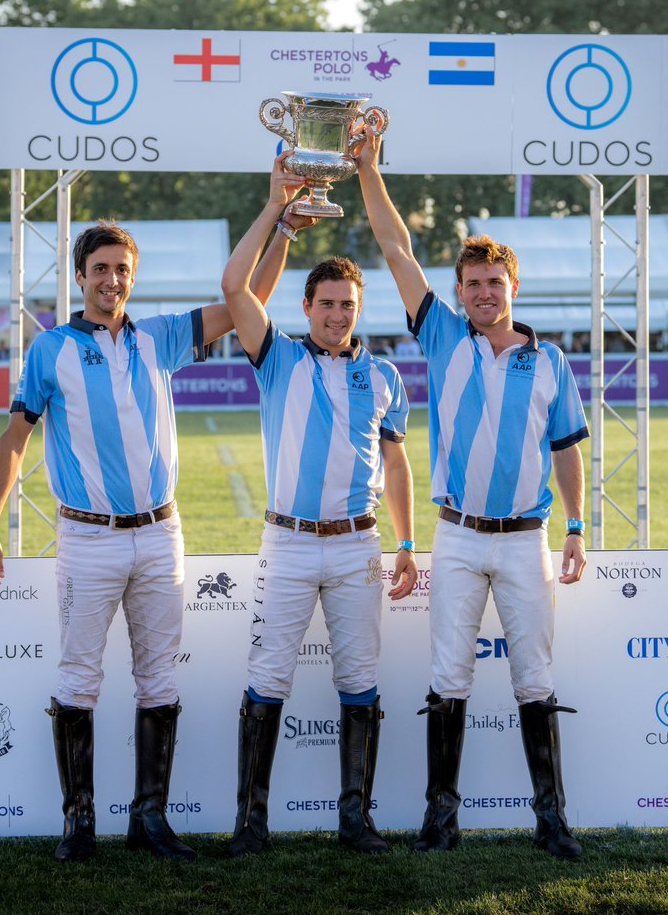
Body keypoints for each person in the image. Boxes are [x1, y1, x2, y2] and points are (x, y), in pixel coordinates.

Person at [0, 221, 254, 864]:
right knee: (79, 678)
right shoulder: (51, 350)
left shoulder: (161, 337)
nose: (112, 279)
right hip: (88, 538)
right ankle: (79, 823)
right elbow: (14, 440)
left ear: (133, 275)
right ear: (80, 276)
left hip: (160, 533)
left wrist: (282, 229)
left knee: (159, 679)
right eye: (100, 268)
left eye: (122, 269)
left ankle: (149, 821)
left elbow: (245, 303)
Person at [356, 130, 590, 859]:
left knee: (535, 677)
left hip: (526, 538)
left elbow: (567, 451)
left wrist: (578, 525)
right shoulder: (445, 338)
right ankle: (440, 816)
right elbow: (397, 248)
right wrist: (369, 170)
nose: (483, 293)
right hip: (456, 535)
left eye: (495, 283)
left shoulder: (549, 359)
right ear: (458, 292)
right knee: (448, 676)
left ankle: (550, 818)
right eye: (472, 284)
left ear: (511, 288)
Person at [219, 153, 418, 857]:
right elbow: (234, 286)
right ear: (306, 308)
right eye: (326, 305)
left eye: (348, 307)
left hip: (360, 544)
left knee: (360, 680)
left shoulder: (385, 374)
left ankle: (355, 819)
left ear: (360, 311)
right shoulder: (278, 356)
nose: (337, 315)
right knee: (268, 677)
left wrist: (403, 540)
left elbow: (396, 461)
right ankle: (250, 822)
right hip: (291, 542)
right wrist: (279, 210)